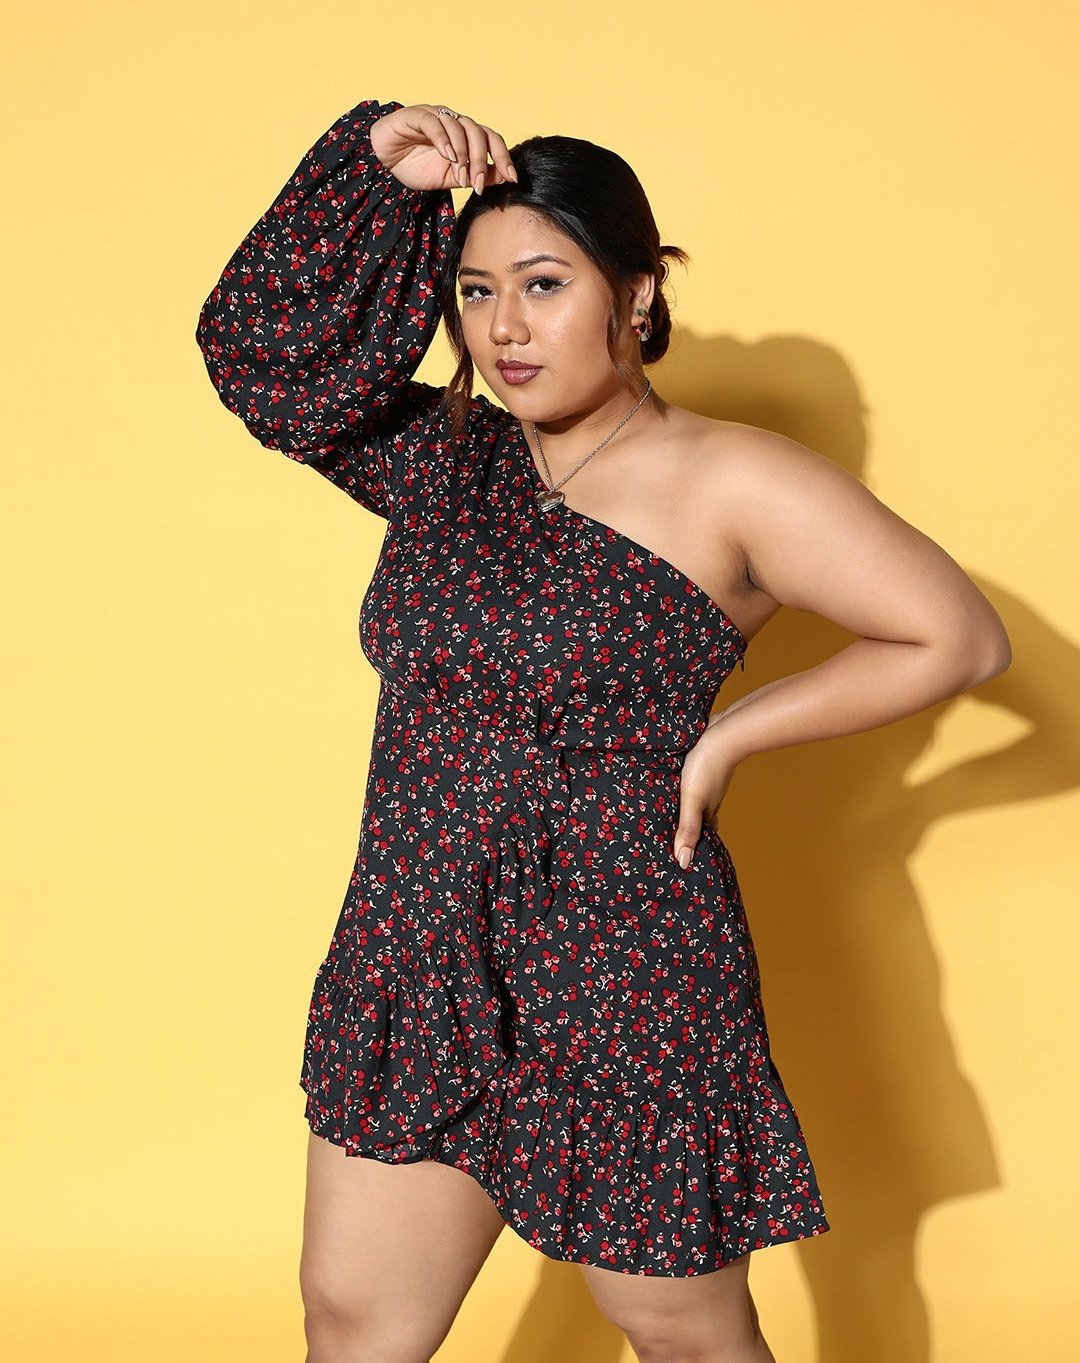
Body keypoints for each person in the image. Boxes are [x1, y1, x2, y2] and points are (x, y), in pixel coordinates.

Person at [195, 98, 1011, 1363]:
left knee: (678, 1330)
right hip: (421, 936)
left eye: (544, 284)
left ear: (636, 292)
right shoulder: (449, 461)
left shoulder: (733, 479)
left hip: (622, 955)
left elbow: (957, 637)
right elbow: (260, 358)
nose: (504, 329)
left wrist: (730, 736)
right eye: (475, 291)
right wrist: (376, 169)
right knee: (354, 1320)